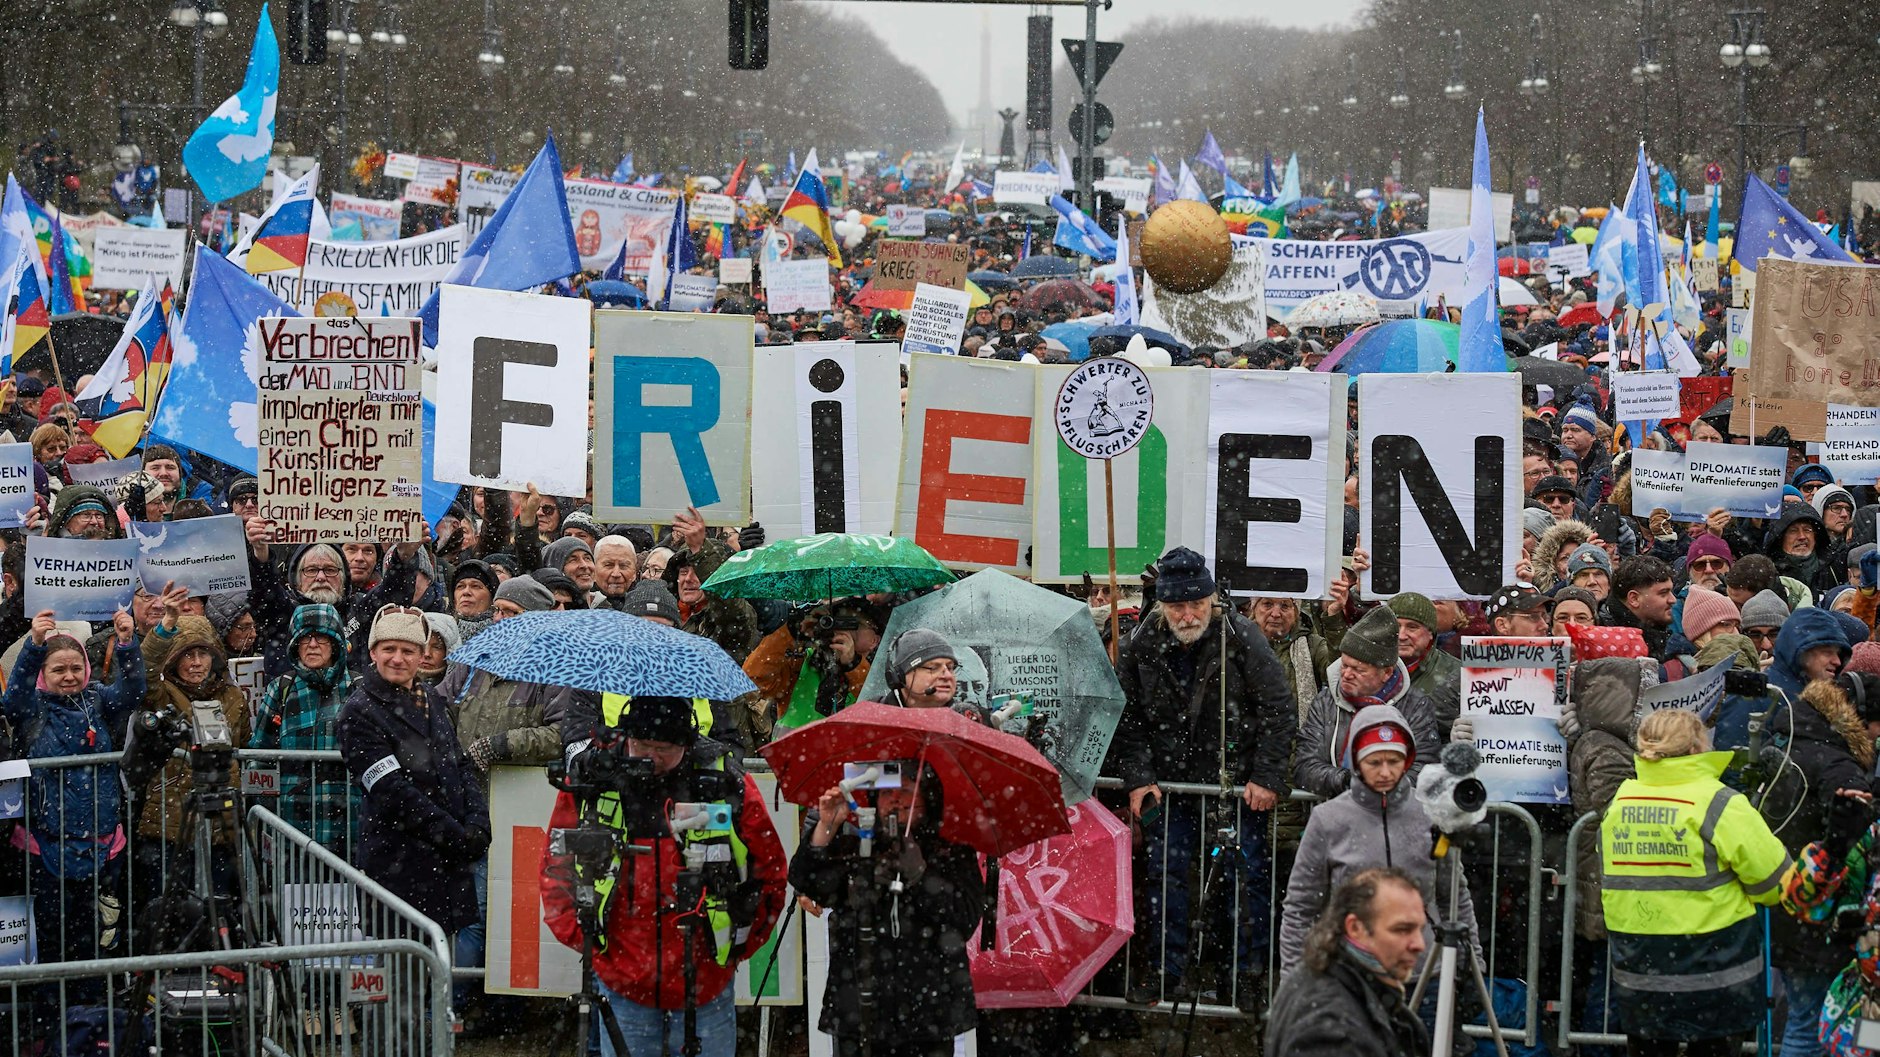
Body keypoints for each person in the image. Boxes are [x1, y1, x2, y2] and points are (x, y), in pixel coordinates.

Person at [542, 698, 787, 1057]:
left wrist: (737, 947)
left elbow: (770, 871)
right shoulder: (596, 779)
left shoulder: (725, 780)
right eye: (642, 746)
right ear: (627, 736)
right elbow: (555, 864)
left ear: (687, 744)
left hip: (706, 986)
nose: (651, 758)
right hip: (624, 986)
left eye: (664, 749)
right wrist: (590, 944)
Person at [1113, 546, 1296, 1008]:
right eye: (1178, 605)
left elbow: (1279, 709)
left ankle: (1246, 976)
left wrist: (1267, 777)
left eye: (1197, 604)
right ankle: (1164, 972)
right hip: (1169, 789)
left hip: (1232, 786)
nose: (1189, 614)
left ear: (1212, 599)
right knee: (1165, 879)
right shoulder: (1141, 643)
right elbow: (1126, 718)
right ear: (1163, 605)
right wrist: (1138, 778)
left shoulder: (1242, 635)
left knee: (1245, 880)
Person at [1598, 708, 1793, 1056]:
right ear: (1694, 749)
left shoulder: (1620, 802)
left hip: (1640, 971)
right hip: (1715, 973)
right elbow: (1775, 884)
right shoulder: (1719, 802)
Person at [790, 762, 985, 1057]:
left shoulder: (952, 851)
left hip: (930, 1014)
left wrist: (920, 875)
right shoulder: (858, 846)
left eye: (906, 791)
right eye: (885, 792)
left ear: (928, 798)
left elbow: (965, 918)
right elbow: (808, 880)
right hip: (858, 1010)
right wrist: (826, 826)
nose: (894, 800)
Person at [1, 608, 141, 1010]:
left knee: (96, 939)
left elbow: (133, 691)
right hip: (47, 848)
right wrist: (33, 645)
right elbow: (12, 700)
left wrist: (129, 643)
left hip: (100, 846)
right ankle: (56, 1023)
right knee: (53, 941)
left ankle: (92, 1022)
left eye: (76, 668)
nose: (69, 676)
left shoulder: (99, 700)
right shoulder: (34, 708)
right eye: (58, 669)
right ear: (45, 674)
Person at [1279, 706, 1478, 976]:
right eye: (1374, 762)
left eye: (1394, 761)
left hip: (1422, 973)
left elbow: (1454, 897)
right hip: (1350, 974)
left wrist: (1472, 963)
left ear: (1407, 761)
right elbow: (1300, 907)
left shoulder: (1431, 814)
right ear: (1356, 762)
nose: (1385, 772)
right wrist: (1294, 978)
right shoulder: (1328, 819)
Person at [336, 605, 489, 939]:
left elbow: (458, 762)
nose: (397, 658)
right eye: (389, 648)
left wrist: (479, 820)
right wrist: (454, 835)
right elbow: (392, 792)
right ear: (373, 652)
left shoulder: (432, 698)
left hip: (444, 863)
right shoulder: (358, 711)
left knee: (438, 969)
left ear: (422, 656)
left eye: (408, 650)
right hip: (399, 861)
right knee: (405, 972)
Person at [1758, 671, 1880, 1057]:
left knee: (1808, 1021)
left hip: (1797, 918)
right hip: (1830, 930)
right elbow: (1844, 856)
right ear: (1862, 718)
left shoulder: (1793, 740)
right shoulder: (1837, 766)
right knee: (1818, 1027)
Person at [1263, 868, 1431, 1057]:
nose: (1419, 944)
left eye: (1420, 929)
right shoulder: (1333, 1028)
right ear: (1355, 928)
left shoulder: (1320, 975)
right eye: (1402, 929)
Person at [1294, 605, 1440, 800]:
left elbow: (1424, 769)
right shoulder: (1325, 702)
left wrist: (1379, 785)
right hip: (1336, 816)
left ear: (1386, 672)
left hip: (1393, 818)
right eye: (1344, 665)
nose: (1345, 674)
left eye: (1358, 670)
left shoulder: (1414, 706)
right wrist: (1348, 781)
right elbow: (1305, 766)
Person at [248, 604, 356, 853]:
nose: (313, 644)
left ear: (336, 644)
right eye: (305, 637)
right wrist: (263, 806)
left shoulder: (358, 688)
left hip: (347, 819)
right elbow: (259, 753)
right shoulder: (281, 689)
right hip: (291, 821)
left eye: (321, 637)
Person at [1387, 593, 1461, 740]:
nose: (1401, 635)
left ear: (1431, 633)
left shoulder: (1457, 674)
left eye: (1412, 627)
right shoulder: (1367, 668)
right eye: (1395, 626)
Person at [1601, 556, 1676, 661]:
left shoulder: (1659, 631)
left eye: (1671, 591)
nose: (1673, 600)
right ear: (1634, 599)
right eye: (1663, 593)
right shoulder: (1605, 643)